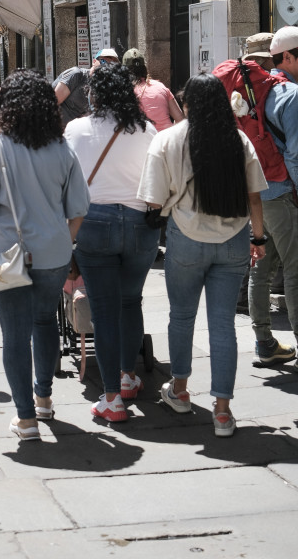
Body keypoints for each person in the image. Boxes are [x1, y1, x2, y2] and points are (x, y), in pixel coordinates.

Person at [138, 72, 267, 438]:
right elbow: (255, 197)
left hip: (187, 239)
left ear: (187, 103)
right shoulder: (238, 140)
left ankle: (179, 390)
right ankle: (223, 412)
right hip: (234, 240)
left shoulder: (167, 139)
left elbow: (153, 201)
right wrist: (259, 239)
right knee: (223, 325)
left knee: (181, 316)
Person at [0, 69, 88, 440]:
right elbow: (79, 206)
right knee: (45, 321)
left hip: (3, 251)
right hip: (53, 253)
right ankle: (44, 399)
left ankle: (25, 418)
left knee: (14, 335)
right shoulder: (61, 146)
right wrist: (64, 241)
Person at [65, 64, 158, 423]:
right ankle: (128, 376)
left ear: (94, 93)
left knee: (103, 311)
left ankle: (111, 399)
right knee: (131, 301)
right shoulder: (147, 130)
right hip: (139, 224)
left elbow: (67, 179)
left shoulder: (76, 129)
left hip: (94, 222)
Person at [247, 24, 298, 365]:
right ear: (287, 57)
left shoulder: (255, 92)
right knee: (295, 270)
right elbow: (294, 154)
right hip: (282, 193)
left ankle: (264, 342)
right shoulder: (289, 94)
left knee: (261, 269)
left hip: (256, 193)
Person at [122, 48, 184, 132]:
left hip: (143, 138)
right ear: (144, 68)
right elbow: (180, 120)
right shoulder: (161, 86)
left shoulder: (125, 91)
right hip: (166, 137)